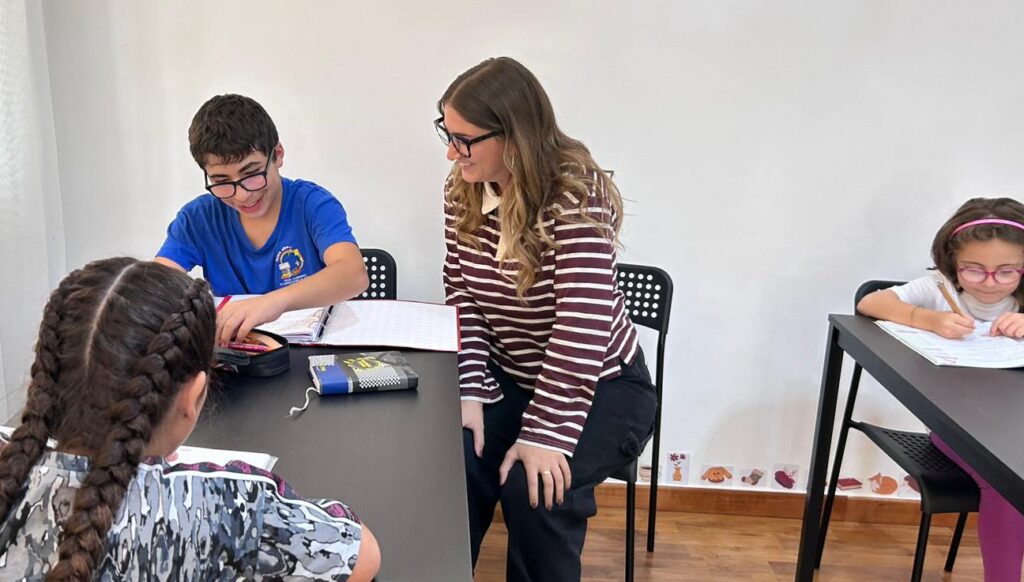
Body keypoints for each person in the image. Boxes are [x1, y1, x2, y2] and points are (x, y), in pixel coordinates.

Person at [0, 258, 380, 581]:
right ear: (194, 396)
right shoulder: (230, 503)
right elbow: (360, 556)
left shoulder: (10, 480)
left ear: (45, 379)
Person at [437, 57, 658, 581]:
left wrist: (546, 434)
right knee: (455, 463)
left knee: (535, 491)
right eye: (446, 134)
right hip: (516, 376)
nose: (451, 152)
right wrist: (469, 387)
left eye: (464, 139)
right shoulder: (460, 188)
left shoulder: (575, 193)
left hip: (606, 385)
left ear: (512, 136)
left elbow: (580, 326)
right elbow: (461, 294)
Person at [858, 197, 1024, 582]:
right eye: (974, 270)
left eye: (1006, 273)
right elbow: (870, 302)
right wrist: (926, 318)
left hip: (1017, 433)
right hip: (960, 434)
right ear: (953, 261)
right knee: (1008, 487)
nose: (989, 282)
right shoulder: (939, 289)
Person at [156, 94, 368, 344]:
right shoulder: (197, 219)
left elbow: (353, 274)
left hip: (307, 357)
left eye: (252, 173)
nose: (243, 194)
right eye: (222, 182)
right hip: (236, 357)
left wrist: (273, 302)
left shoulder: (312, 204)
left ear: (277, 155)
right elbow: (155, 285)